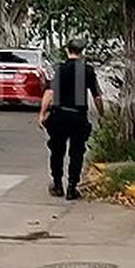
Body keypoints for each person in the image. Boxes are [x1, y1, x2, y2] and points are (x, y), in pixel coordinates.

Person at [37, 37, 105, 200]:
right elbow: (97, 96)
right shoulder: (88, 71)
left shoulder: (60, 69)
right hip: (78, 117)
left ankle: (57, 185)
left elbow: (49, 93)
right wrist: (101, 115)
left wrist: (42, 114)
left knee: (57, 151)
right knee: (77, 152)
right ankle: (72, 187)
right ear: (82, 52)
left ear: (67, 50)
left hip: (59, 116)